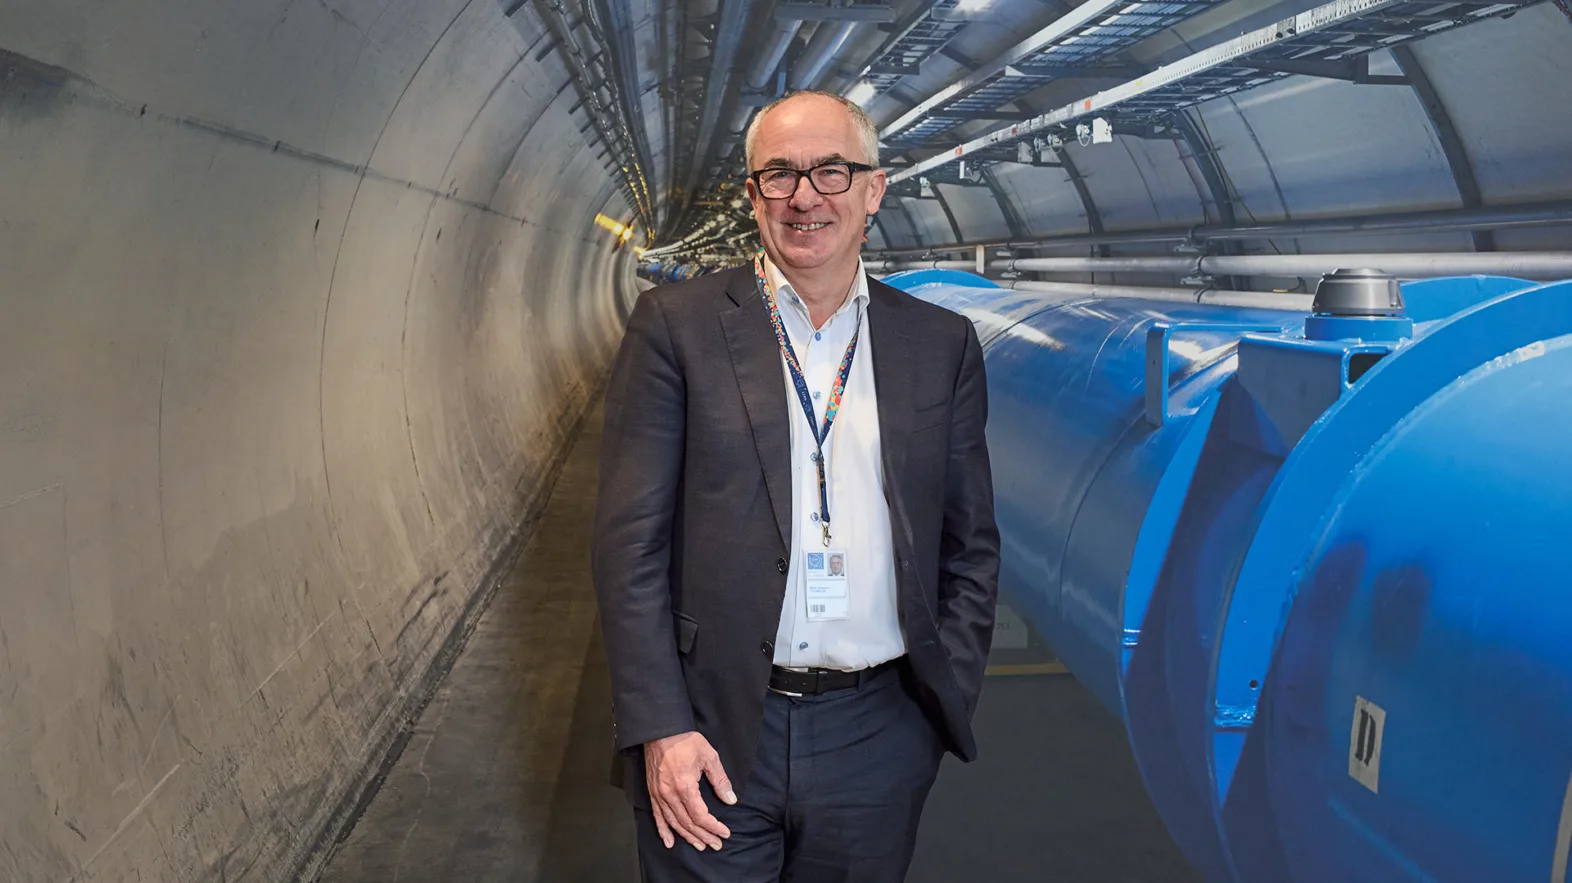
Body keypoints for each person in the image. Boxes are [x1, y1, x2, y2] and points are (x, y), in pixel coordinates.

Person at [591, 89, 1001, 882]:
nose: (805, 196)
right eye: (778, 175)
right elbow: (629, 548)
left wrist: (933, 706)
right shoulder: (677, 327)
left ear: (873, 190)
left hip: (877, 731)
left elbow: (969, 541)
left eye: (831, 171)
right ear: (751, 197)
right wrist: (661, 725)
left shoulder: (936, 343)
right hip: (712, 729)